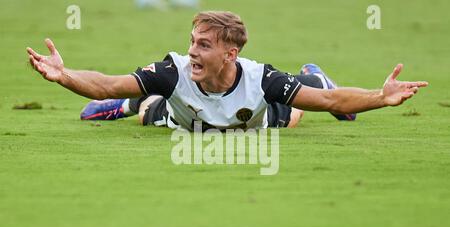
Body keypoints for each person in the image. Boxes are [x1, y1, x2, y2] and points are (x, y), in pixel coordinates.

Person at [27, 11, 428, 131]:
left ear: (230, 53)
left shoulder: (262, 79)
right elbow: (106, 83)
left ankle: (315, 72)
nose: (192, 52)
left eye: (203, 45)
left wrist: (380, 97)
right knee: (151, 110)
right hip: (183, 117)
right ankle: (128, 107)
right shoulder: (176, 70)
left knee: (299, 112)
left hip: (258, 118)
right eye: (191, 42)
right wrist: (66, 75)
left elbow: (329, 100)